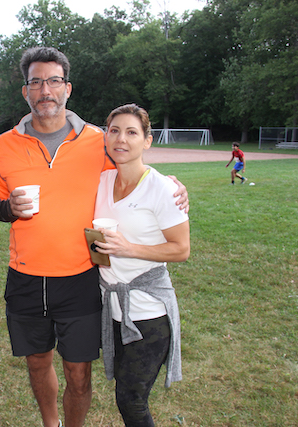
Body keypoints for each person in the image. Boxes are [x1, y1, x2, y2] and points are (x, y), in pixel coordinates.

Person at [0, 47, 189, 427]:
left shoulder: (99, 140)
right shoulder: (6, 143)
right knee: (37, 362)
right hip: (25, 277)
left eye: (54, 81)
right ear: (25, 91)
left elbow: (137, 171)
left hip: (81, 278)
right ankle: (51, 423)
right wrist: (8, 207)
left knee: (79, 374)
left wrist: (173, 185)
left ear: (68, 88)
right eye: (36, 82)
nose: (46, 89)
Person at [93, 104, 190, 426]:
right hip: (115, 310)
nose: (121, 139)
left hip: (149, 314)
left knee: (131, 399)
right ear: (106, 136)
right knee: (125, 394)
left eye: (132, 132)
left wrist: (128, 248)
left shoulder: (162, 188)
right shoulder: (102, 181)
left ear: (147, 141)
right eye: (115, 130)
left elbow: (181, 249)